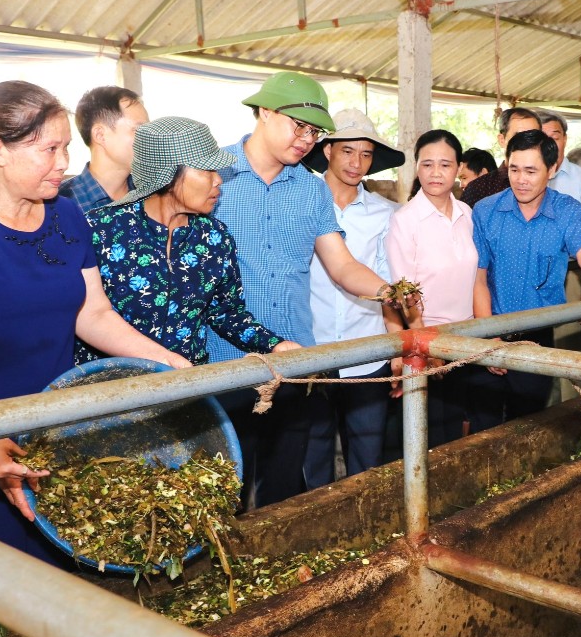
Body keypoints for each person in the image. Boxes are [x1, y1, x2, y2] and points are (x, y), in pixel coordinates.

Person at [0, 81, 189, 585]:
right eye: (49, 149)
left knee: (72, 580)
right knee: (0, 593)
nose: (63, 163)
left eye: (66, 149)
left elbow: (92, 314)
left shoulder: (67, 215)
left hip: (57, 427)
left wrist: (165, 360)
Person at [205, 71, 397, 510]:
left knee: (285, 490)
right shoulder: (215, 176)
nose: (307, 138)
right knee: (223, 491)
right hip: (224, 360)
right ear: (266, 112)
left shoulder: (312, 191)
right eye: (299, 125)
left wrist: (389, 291)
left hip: (295, 360)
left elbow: (343, 264)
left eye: (314, 131)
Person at [86, 116, 300, 364]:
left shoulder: (214, 237)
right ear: (166, 174)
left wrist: (275, 345)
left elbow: (226, 314)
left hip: (188, 387)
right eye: (207, 170)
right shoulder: (100, 230)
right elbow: (87, 316)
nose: (218, 179)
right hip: (111, 390)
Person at [472, 129, 581, 429]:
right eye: (514, 169)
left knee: (528, 424)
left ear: (552, 170)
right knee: (484, 427)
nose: (521, 179)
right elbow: (479, 278)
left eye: (531, 171)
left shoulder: (568, 211)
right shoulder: (486, 211)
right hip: (490, 330)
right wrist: (488, 338)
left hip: (537, 337)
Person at [301, 109, 405, 486]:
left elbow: (387, 284)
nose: (356, 163)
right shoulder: (300, 204)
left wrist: (395, 345)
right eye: (347, 151)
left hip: (367, 352)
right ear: (326, 150)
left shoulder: (385, 213)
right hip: (311, 350)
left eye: (365, 154)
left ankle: (366, 535)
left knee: (367, 458)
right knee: (313, 457)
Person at [385, 129, 477, 447]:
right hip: (428, 346)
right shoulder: (405, 221)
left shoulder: (468, 215)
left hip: (466, 343)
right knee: (428, 436)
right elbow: (403, 291)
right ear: (416, 168)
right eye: (427, 164)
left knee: (458, 433)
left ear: (458, 167)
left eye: (445, 164)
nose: (435, 173)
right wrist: (426, 343)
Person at [60, 86, 149, 213]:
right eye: (138, 129)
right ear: (100, 135)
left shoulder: (151, 194)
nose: (149, 137)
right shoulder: (60, 203)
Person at [537, 111, 581, 253]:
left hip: (573, 265)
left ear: (564, 139)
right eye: (542, 139)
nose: (549, 145)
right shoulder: (525, 177)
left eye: (554, 138)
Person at [459, 108, 542, 206]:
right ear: (502, 140)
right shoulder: (478, 189)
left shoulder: (548, 184)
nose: (527, 143)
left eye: (533, 137)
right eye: (519, 136)